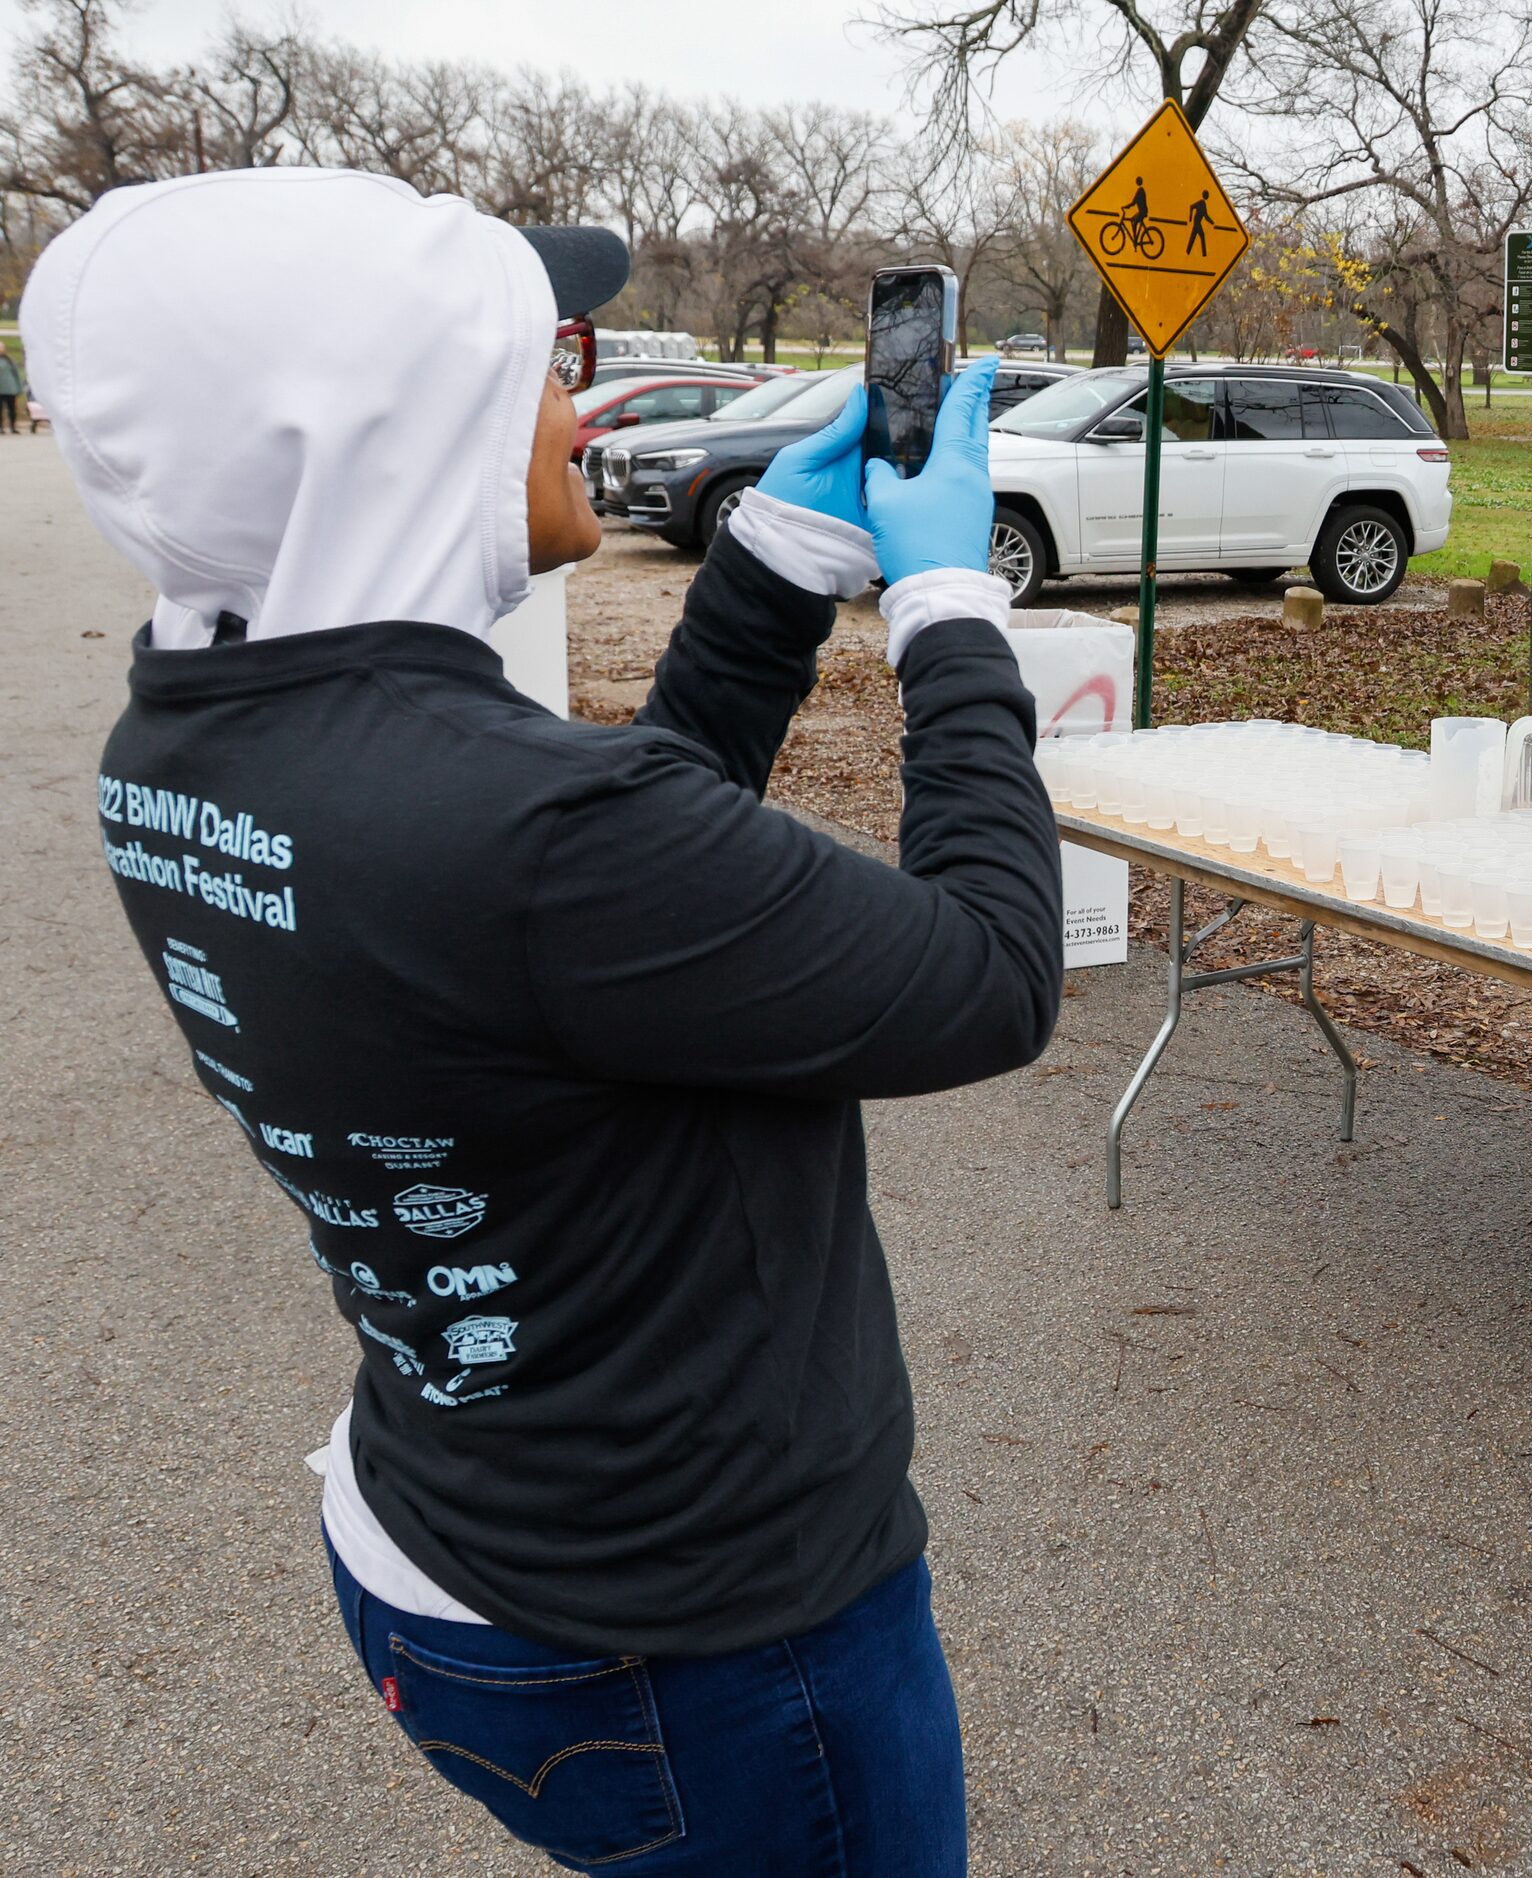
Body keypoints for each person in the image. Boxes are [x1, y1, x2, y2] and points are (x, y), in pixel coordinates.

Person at [30, 168, 1065, 1871]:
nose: (578, 406)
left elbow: (590, 917)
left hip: (446, 1542)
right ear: (394, 427)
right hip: (704, 1643)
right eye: (535, 367)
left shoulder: (181, 740)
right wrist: (950, 607)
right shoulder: (523, 827)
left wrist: (773, 565)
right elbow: (991, 971)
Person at [0, 340, 25, 432]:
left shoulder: (9, 361)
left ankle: (12, 426)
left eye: (2, 348)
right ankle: (1, 427)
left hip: (10, 389)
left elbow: (16, 375)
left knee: (12, 409)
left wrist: (19, 388)